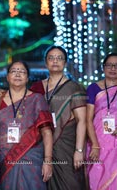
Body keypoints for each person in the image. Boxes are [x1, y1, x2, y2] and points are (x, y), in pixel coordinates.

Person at [30, 45, 87, 190]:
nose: (55, 61)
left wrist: (79, 151)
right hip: (40, 146)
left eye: (59, 58)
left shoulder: (74, 87)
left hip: (66, 147)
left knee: (70, 184)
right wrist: (1, 93)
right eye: (51, 58)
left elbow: (82, 121)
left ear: (65, 63)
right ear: (46, 62)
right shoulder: (36, 88)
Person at [0, 61, 53, 189]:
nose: (18, 74)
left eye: (22, 71)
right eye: (14, 71)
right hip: (4, 162)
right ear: (7, 77)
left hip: (32, 161)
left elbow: (47, 132)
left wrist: (48, 161)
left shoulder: (37, 99)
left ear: (27, 78)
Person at [86, 53, 117, 189]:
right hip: (97, 141)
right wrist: (95, 145)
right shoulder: (93, 88)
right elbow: (88, 118)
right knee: (97, 178)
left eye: (116, 66)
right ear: (103, 68)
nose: (113, 68)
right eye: (109, 65)